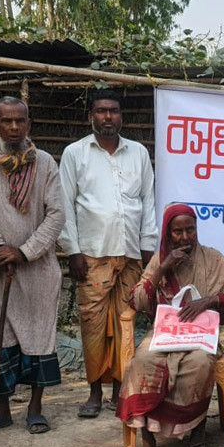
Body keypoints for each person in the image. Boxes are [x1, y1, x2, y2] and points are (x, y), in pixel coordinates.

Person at [119, 204, 224, 447]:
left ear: (196, 229)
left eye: (190, 230)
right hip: (164, 335)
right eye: (177, 232)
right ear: (168, 234)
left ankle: (196, 429)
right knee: (141, 363)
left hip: (201, 336)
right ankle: (148, 443)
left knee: (200, 364)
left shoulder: (213, 259)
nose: (184, 237)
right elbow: (135, 300)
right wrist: (162, 270)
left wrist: (210, 301)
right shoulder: (160, 260)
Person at [0, 96, 66, 436]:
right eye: (6, 121)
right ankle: (1, 410)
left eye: (19, 121)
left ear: (28, 123)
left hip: (38, 269)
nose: (13, 127)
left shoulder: (45, 163)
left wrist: (24, 252)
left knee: (39, 337)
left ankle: (35, 408)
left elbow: (56, 215)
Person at [59, 89, 157, 418]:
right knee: (93, 325)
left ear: (121, 116)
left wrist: (148, 250)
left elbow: (147, 203)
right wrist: (72, 250)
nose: (107, 117)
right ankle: (94, 392)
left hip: (130, 255)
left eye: (113, 111)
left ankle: (119, 389)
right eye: (101, 111)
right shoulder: (75, 154)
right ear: (91, 117)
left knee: (125, 322)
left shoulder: (138, 153)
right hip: (91, 255)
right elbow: (65, 206)